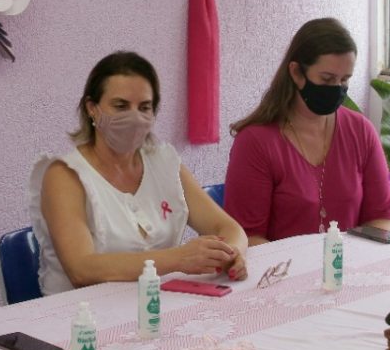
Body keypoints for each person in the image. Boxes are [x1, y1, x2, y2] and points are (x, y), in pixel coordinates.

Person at [30, 51, 248, 294]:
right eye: (121, 106)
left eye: (144, 107)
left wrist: (231, 254)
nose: (134, 117)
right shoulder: (64, 174)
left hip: (154, 302)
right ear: (92, 108)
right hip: (81, 311)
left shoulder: (165, 163)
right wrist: (179, 258)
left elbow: (229, 229)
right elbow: (81, 269)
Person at [224, 18, 390, 245]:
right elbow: (248, 237)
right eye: (327, 79)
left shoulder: (361, 131)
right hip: (280, 266)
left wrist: (355, 261)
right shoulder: (255, 142)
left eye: (345, 79)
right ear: (296, 73)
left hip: (348, 264)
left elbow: (382, 216)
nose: (337, 88)